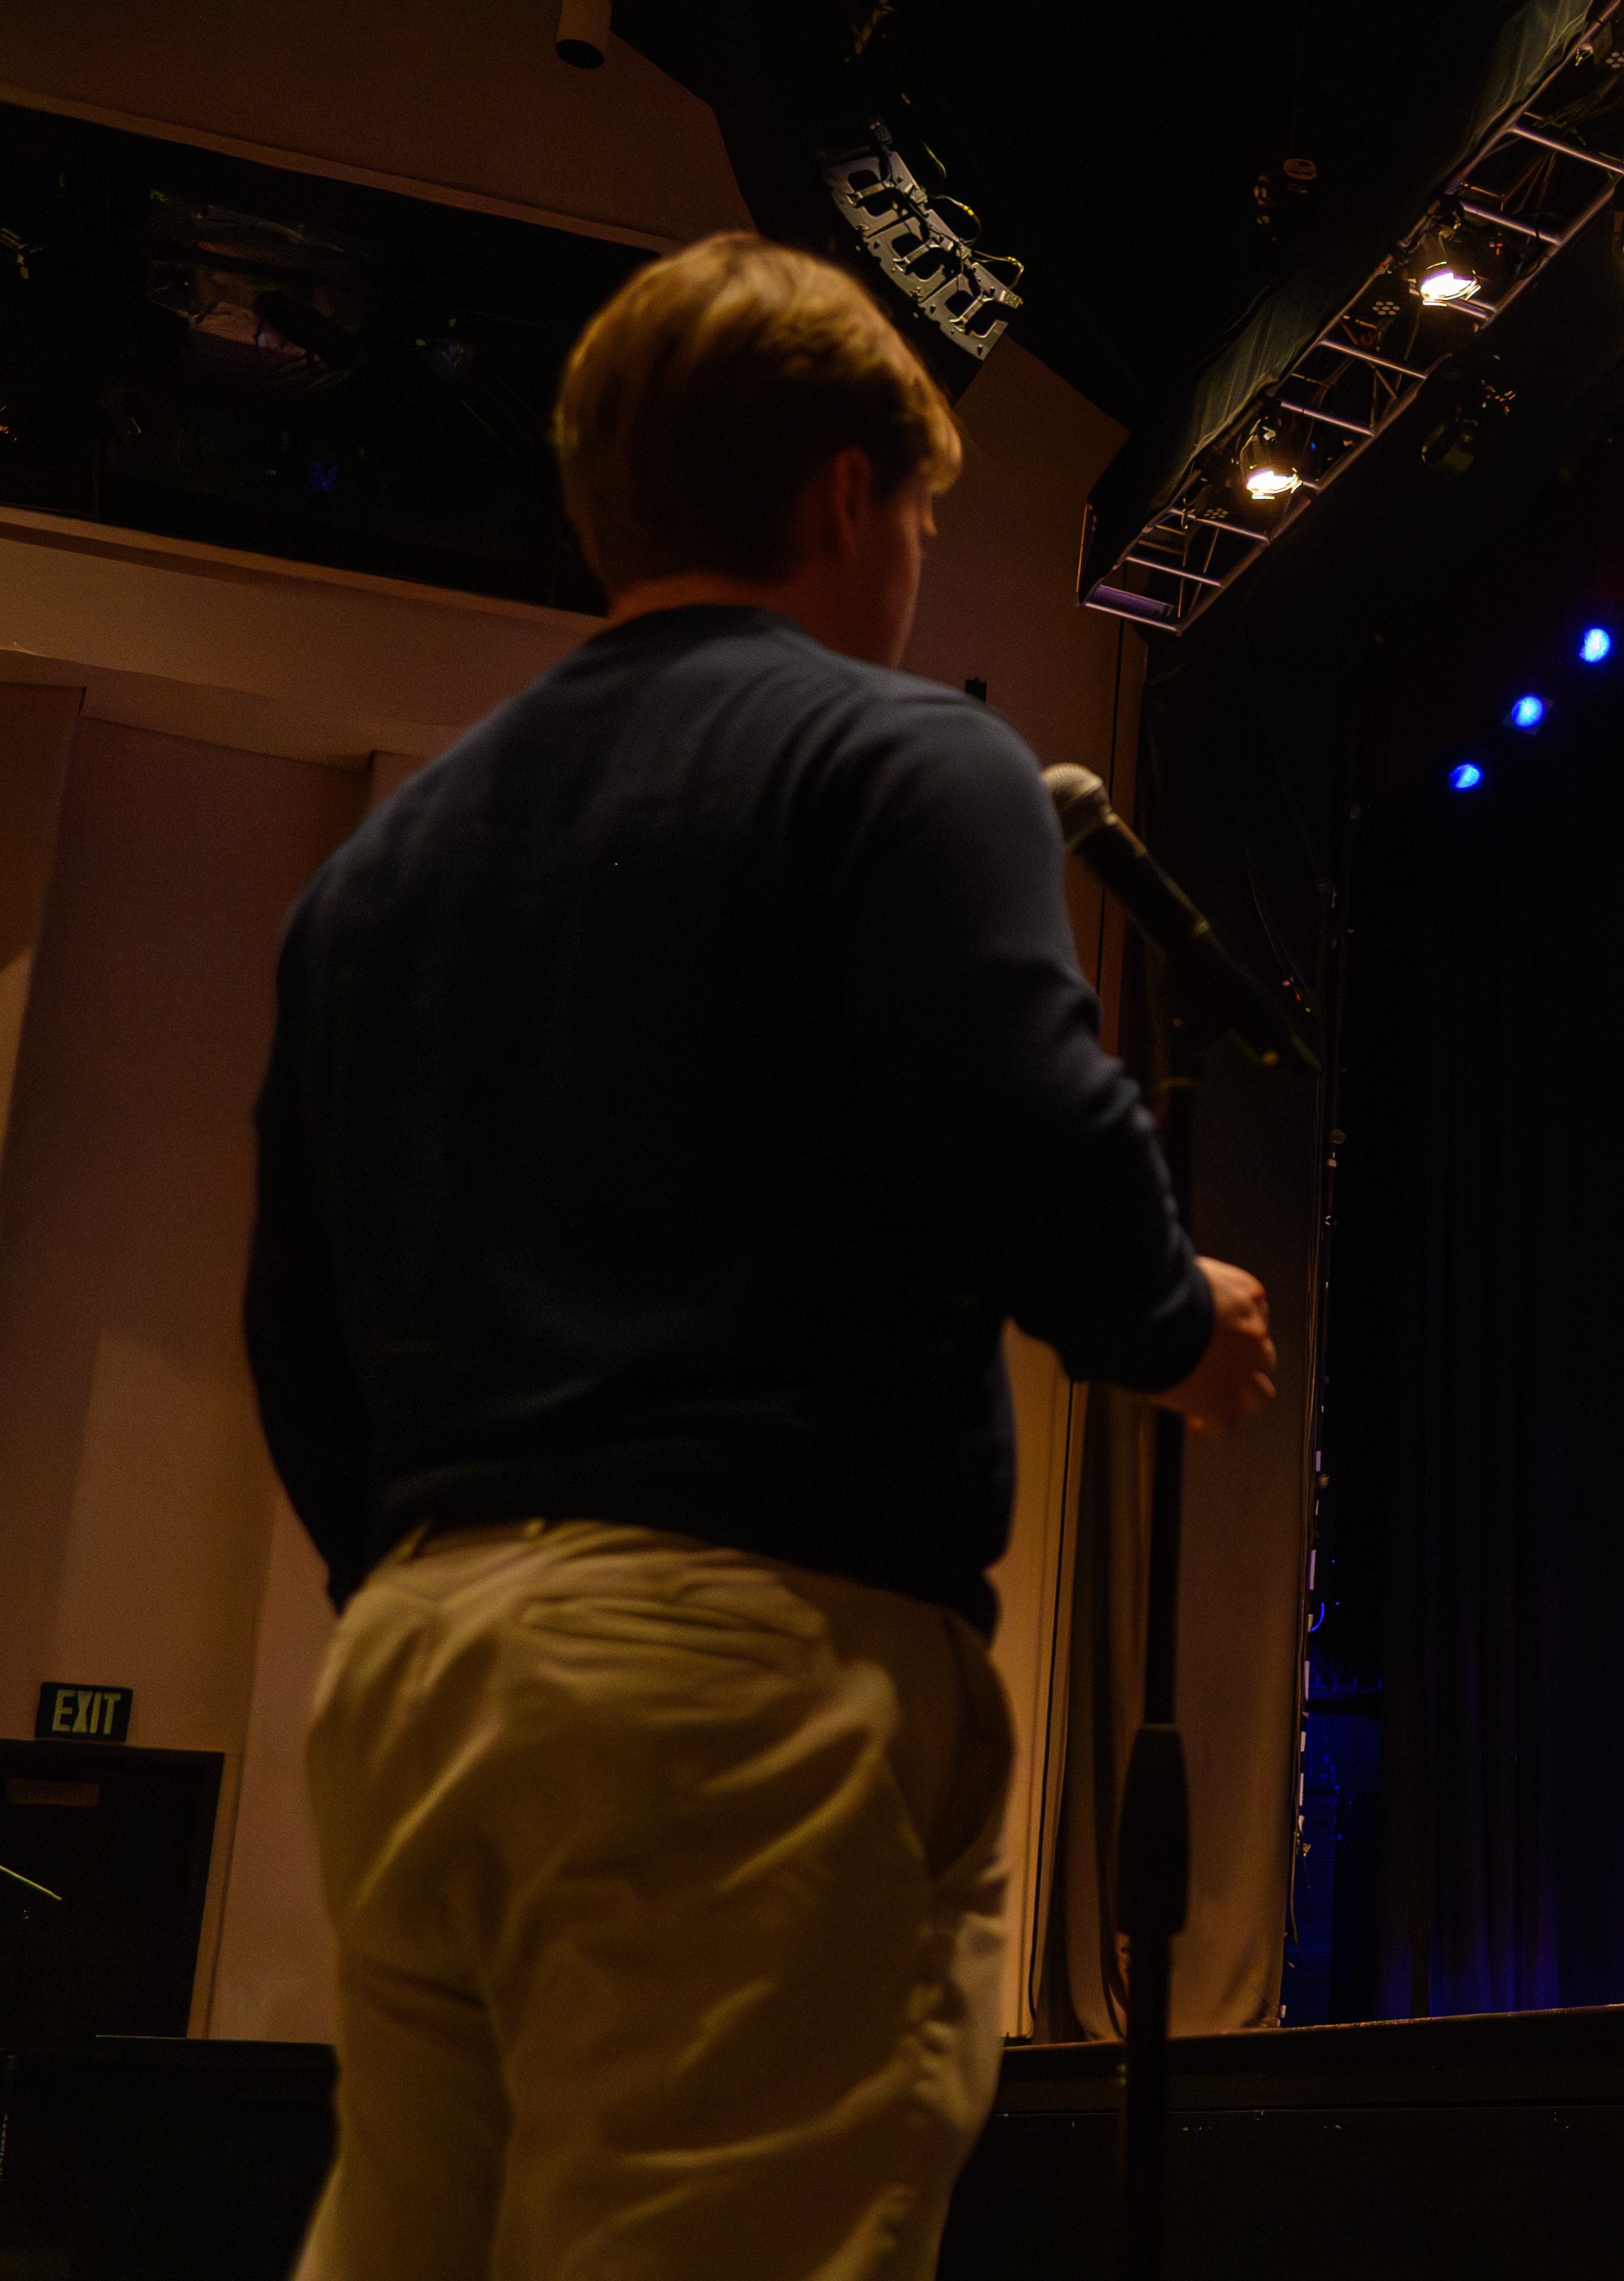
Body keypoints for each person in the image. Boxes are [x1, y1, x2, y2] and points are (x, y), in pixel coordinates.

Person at [244, 234, 1278, 2281]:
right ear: (841, 496)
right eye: (915, 511)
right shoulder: (902, 755)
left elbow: (298, 1309)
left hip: (417, 1667)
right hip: (737, 1677)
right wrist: (1171, 1323)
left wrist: (441, 1574)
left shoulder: (387, 858)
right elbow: (1027, 1108)